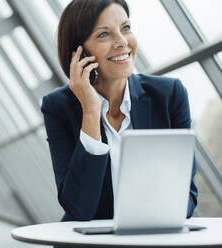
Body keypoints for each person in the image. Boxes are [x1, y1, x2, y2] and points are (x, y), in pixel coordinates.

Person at [41, 0, 198, 222]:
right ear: (79, 53)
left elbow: (187, 197)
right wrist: (91, 112)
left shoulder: (169, 95)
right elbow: (79, 209)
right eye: (104, 34)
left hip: (152, 237)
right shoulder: (58, 107)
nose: (122, 42)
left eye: (125, 28)